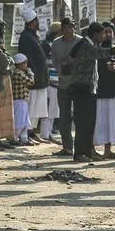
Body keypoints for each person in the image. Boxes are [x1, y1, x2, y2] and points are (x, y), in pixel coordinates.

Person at [62, 22, 103, 162]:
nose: (103, 37)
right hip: (82, 88)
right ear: (96, 34)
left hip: (87, 87)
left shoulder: (88, 44)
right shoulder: (86, 45)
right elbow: (98, 54)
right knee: (83, 122)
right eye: (102, 34)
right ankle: (80, 153)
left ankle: (88, 151)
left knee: (89, 122)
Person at [94, 23, 115, 160]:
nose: (107, 34)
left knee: (112, 122)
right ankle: (93, 149)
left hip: (113, 91)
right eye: (105, 32)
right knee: (99, 122)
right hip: (100, 91)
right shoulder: (97, 49)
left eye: (110, 32)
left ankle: (108, 150)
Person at [20, 9, 51, 144]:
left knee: (37, 108)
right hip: (34, 79)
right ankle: (26, 134)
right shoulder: (26, 37)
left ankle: (31, 132)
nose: (38, 22)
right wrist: (32, 75)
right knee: (30, 108)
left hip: (41, 79)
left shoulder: (33, 36)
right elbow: (28, 60)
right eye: (36, 20)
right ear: (31, 22)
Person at [50, 18, 79, 156]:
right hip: (63, 84)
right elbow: (55, 62)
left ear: (74, 28)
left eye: (71, 27)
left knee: (79, 117)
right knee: (64, 117)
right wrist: (63, 72)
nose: (69, 30)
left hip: (79, 84)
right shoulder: (56, 44)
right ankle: (67, 147)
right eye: (66, 27)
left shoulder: (80, 42)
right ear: (62, 29)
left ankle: (81, 147)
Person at [10, 53, 35, 145]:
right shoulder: (19, 73)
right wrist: (30, 73)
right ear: (20, 64)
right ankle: (15, 138)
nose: (26, 65)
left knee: (24, 120)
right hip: (19, 99)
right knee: (19, 120)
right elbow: (31, 82)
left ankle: (24, 138)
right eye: (25, 63)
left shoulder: (18, 72)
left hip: (22, 99)